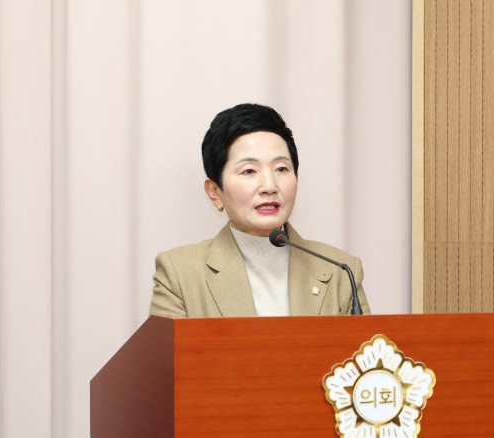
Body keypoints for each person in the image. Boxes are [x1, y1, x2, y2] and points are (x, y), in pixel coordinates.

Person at [149, 103, 370, 318]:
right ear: (215, 192)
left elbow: (368, 344)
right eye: (249, 171)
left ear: (296, 179)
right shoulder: (179, 274)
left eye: (281, 169)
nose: (269, 186)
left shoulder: (342, 271)